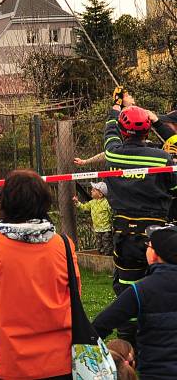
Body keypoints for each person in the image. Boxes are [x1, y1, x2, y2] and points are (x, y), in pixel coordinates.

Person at [0, 169, 77, 380]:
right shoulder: (64, 245)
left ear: (5, 202)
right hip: (58, 360)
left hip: (9, 360)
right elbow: (75, 299)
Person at [103, 93, 177, 347]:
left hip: (125, 239)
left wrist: (116, 107)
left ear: (123, 132)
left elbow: (109, 132)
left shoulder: (113, 155)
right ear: (147, 131)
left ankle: (128, 342)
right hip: (158, 240)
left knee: (127, 289)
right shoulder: (162, 159)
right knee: (163, 288)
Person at [93, 224, 177, 378]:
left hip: (157, 374)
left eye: (148, 245)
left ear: (154, 255)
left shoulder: (141, 290)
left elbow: (101, 324)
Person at [72, 181, 113, 256]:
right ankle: (102, 260)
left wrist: (112, 224)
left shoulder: (106, 203)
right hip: (97, 230)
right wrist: (77, 203)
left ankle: (109, 261)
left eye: (94, 190)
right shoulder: (92, 203)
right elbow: (84, 207)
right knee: (99, 246)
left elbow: (111, 213)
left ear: (100, 194)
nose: (91, 191)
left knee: (107, 246)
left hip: (106, 229)